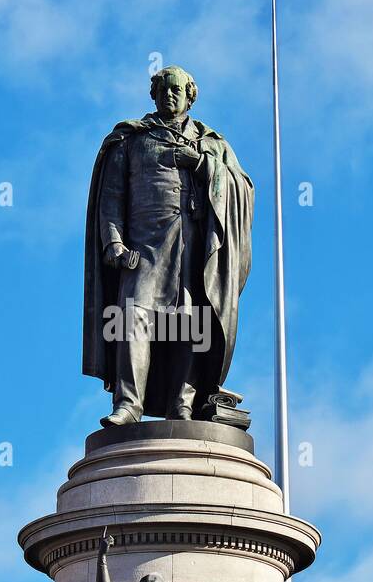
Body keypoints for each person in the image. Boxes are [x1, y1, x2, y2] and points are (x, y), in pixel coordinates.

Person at [83, 66, 254, 425]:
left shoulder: (212, 144)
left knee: (190, 325)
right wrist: (113, 242)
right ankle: (129, 404)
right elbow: (111, 196)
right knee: (132, 319)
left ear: (190, 95)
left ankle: (183, 404)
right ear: (154, 94)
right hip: (143, 250)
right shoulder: (130, 140)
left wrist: (205, 165)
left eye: (177, 90)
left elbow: (243, 189)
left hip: (192, 250)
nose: (170, 96)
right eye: (163, 89)